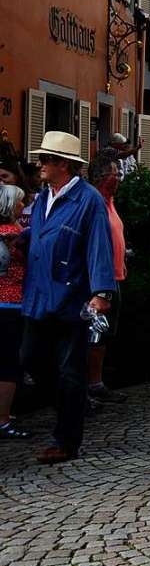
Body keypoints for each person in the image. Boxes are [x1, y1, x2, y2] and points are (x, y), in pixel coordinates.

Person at [20, 131, 115, 463]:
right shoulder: (44, 196)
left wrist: (101, 293)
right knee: (30, 360)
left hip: (71, 298)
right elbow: (40, 233)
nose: (40, 164)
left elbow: (99, 247)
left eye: (46, 159)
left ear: (63, 164)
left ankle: (67, 440)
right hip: (38, 295)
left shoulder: (88, 200)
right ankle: (70, 412)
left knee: (70, 371)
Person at [85, 154, 127, 406]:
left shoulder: (109, 202)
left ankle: (96, 383)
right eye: (116, 174)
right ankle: (90, 386)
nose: (119, 178)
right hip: (100, 281)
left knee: (104, 335)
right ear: (102, 176)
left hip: (114, 277)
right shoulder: (94, 201)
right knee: (94, 334)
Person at [0, 184, 29, 439]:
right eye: (19, 202)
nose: (23, 205)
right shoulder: (13, 234)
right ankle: (3, 419)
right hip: (11, 304)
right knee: (9, 365)